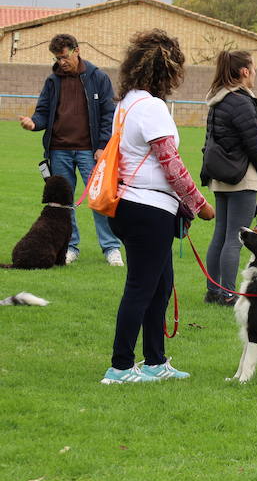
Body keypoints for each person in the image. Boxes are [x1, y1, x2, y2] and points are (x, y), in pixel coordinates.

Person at [101, 29, 215, 384]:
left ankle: (154, 360)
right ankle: (120, 367)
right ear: (167, 72)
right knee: (140, 287)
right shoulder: (151, 108)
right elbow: (172, 164)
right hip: (147, 209)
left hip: (133, 206)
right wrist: (200, 205)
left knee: (160, 285)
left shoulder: (128, 103)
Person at [18, 33, 123, 266]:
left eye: (64, 56)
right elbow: (43, 111)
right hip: (58, 150)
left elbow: (108, 114)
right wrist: (34, 123)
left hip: (89, 151)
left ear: (76, 50)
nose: (60, 62)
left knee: (99, 199)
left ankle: (111, 248)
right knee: (63, 205)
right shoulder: (52, 81)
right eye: (56, 58)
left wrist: (101, 147)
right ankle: (70, 246)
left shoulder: (98, 78)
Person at [201, 50, 257, 304]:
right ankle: (228, 293)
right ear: (244, 71)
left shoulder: (218, 99)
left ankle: (214, 289)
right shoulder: (240, 101)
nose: (255, 73)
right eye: (252, 68)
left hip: (220, 175)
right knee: (235, 237)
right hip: (241, 175)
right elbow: (255, 142)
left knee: (221, 234)